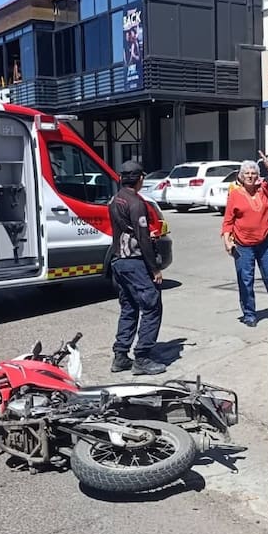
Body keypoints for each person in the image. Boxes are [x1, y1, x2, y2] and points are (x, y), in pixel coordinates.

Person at [106, 161, 167, 376]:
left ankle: (121, 355)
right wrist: (155, 269)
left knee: (129, 307)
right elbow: (142, 237)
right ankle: (142, 357)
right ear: (140, 178)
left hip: (118, 261)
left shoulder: (115, 199)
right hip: (134, 262)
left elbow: (127, 230)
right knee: (152, 306)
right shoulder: (136, 202)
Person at [221, 154, 268, 328]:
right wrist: (227, 241)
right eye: (247, 173)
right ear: (241, 176)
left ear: (257, 175)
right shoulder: (235, 194)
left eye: (253, 173)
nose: (250, 176)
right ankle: (249, 314)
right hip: (243, 245)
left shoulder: (263, 188)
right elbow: (228, 221)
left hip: (265, 242)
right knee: (245, 280)